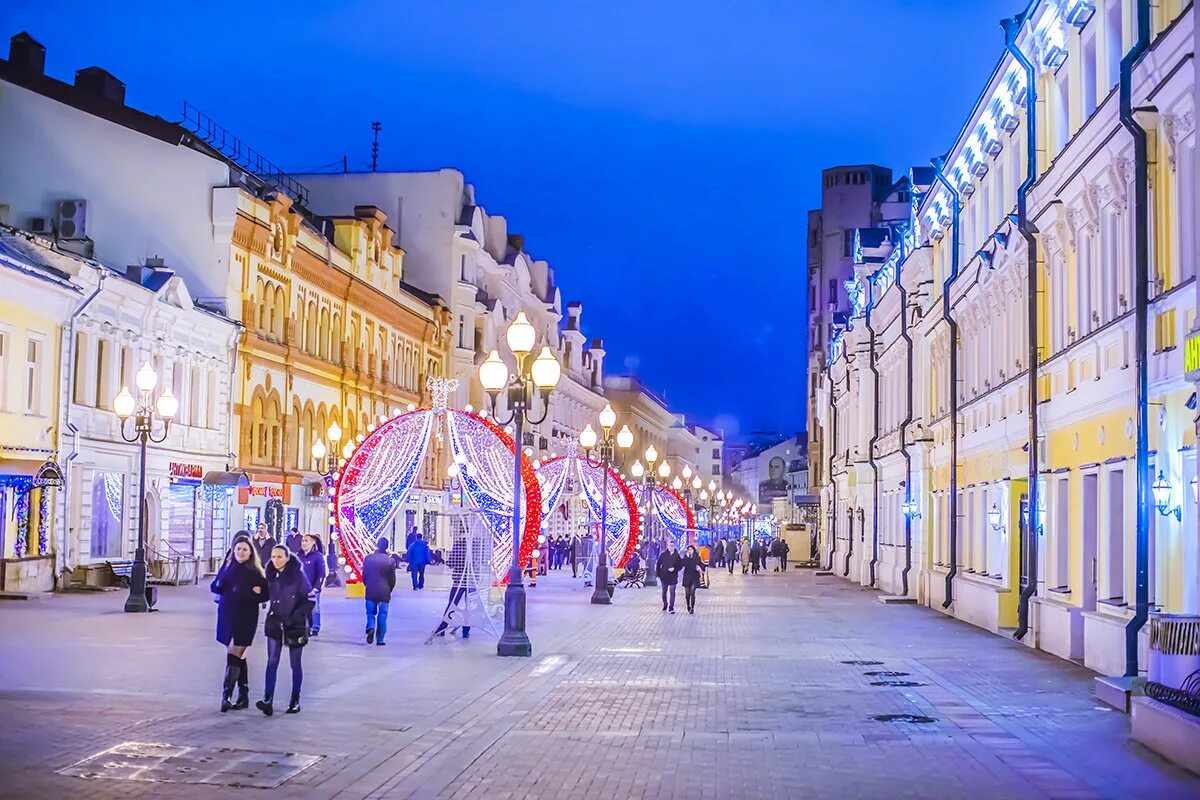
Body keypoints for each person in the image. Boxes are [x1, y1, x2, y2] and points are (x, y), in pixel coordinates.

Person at [210, 537, 268, 712]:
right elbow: (215, 586)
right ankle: (243, 695)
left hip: (246, 617)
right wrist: (219, 584)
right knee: (239, 656)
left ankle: (226, 696)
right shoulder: (228, 568)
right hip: (228, 615)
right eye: (238, 549)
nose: (240, 552)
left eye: (244, 549)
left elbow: (265, 594)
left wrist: (256, 593)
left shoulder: (255, 572)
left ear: (250, 552)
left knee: (234, 652)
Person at [256, 545, 312, 716]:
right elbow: (267, 595)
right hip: (274, 622)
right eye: (273, 556)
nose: (275, 560)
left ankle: (295, 700)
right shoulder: (271, 575)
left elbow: (310, 599)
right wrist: (259, 593)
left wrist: (297, 616)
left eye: (279, 556)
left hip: (295, 625)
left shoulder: (298, 576)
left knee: (295, 663)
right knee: (272, 661)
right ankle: (268, 699)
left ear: (287, 558)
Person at [433, 536, 472, 639]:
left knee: (452, 605)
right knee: (469, 606)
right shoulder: (474, 546)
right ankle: (466, 631)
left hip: (458, 581)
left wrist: (442, 560)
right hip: (472, 581)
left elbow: (451, 563)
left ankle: (442, 628)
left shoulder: (458, 546)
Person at [362, 537, 396, 645]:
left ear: (377, 545)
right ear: (387, 546)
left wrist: (367, 585)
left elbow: (364, 576)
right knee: (382, 615)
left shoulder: (368, 558)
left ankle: (371, 627)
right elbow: (392, 579)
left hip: (371, 590)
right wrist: (389, 589)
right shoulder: (390, 561)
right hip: (384, 591)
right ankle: (380, 639)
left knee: (370, 613)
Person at [297, 534, 327, 635]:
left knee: (314, 608)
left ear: (313, 542)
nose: (304, 543)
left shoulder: (318, 556)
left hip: (313, 588)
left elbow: (321, 573)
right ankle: (304, 626)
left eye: (306, 541)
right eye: (302, 541)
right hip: (300, 589)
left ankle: (315, 627)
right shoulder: (298, 556)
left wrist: (316, 587)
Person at [655, 539, 683, 613]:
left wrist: (674, 568)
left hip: (673, 576)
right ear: (668, 546)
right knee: (664, 591)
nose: (671, 547)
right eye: (670, 546)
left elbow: (680, 565)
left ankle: (671, 607)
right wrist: (658, 574)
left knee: (672, 591)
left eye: (672, 546)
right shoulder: (663, 554)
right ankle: (665, 604)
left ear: (674, 546)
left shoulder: (677, 555)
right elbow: (658, 564)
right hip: (664, 576)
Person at [680, 544, 707, 614]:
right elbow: (683, 564)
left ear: (693, 550)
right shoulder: (685, 557)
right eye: (688, 550)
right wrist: (687, 558)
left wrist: (700, 568)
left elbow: (700, 564)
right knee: (687, 593)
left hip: (694, 577)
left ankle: (692, 607)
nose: (690, 551)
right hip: (687, 577)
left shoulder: (697, 557)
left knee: (692, 591)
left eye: (691, 550)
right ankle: (688, 605)